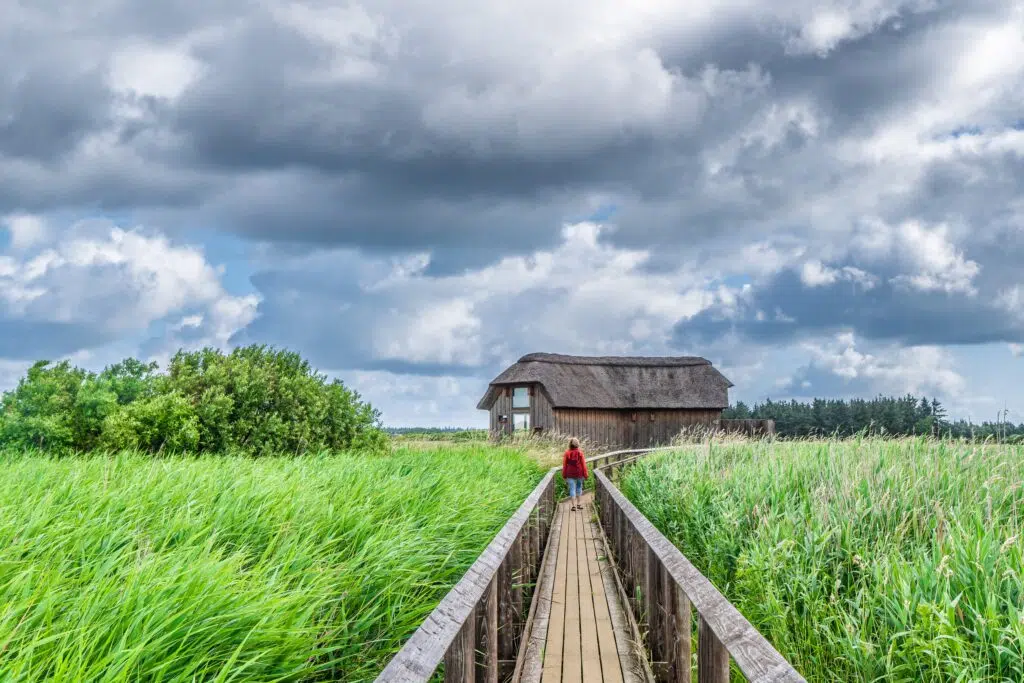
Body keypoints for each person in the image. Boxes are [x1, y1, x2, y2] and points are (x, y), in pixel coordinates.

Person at [562, 437, 588, 511]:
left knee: (572, 489)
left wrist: (564, 474)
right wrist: (585, 474)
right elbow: (583, 465)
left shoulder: (567, 453)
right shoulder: (580, 453)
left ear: (570, 444)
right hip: (579, 473)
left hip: (569, 473)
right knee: (579, 488)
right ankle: (579, 504)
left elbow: (564, 465)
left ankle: (573, 506)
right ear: (577, 444)